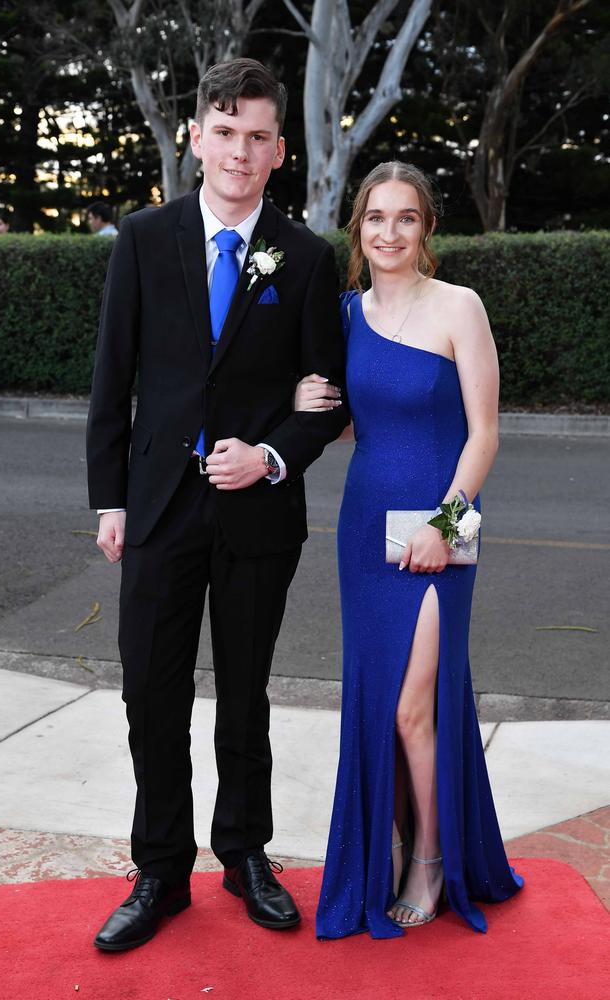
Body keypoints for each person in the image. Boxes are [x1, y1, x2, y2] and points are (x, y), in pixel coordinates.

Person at [86, 57, 347, 952]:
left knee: (245, 694)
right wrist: (107, 500)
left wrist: (273, 453)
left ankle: (244, 853)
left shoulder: (308, 258)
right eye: (225, 131)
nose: (240, 151)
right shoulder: (143, 240)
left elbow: (327, 395)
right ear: (198, 136)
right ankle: (160, 869)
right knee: (149, 696)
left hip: (258, 520)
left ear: (281, 150)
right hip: (155, 512)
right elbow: (111, 383)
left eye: (258, 137)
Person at [295, 161, 522, 939]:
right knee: (380, 704)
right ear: (358, 228)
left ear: (427, 229)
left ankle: (430, 861)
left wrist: (446, 525)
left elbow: (486, 435)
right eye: (375, 218)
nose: (389, 232)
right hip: (365, 529)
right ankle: (391, 850)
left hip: (444, 519)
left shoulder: (460, 306)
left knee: (413, 703)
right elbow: (353, 419)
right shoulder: (345, 314)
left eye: (406, 218)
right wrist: (303, 402)